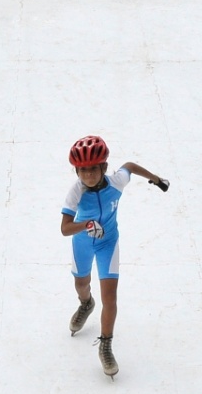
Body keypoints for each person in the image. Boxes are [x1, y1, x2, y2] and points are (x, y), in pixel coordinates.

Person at [60, 137, 170, 379]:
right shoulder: (76, 191)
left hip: (108, 244)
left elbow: (129, 166)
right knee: (81, 284)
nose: (88, 175)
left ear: (104, 167)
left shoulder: (117, 182)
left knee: (110, 297)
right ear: (76, 171)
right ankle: (86, 303)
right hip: (82, 243)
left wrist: (155, 178)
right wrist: (87, 224)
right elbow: (65, 228)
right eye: (82, 170)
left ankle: (106, 345)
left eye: (93, 168)